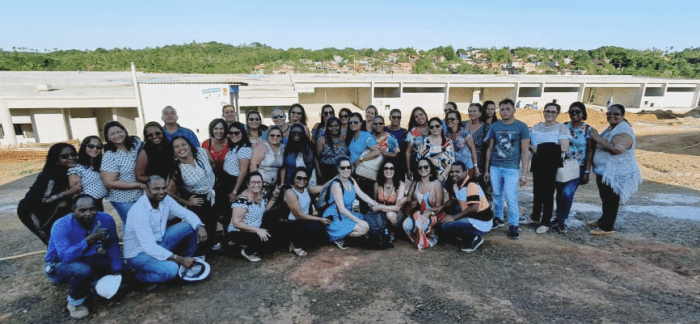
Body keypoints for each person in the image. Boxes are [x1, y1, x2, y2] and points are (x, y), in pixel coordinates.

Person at [44, 195, 122, 319]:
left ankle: (93, 285)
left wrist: (116, 269)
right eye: (82, 210)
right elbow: (65, 257)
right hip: (59, 264)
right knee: (83, 270)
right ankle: (75, 303)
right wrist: (88, 240)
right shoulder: (61, 225)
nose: (88, 213)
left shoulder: (105, 219)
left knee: (118, 268)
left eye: (92, 209)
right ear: (73, 210)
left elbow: (112, 244)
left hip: (87, 257)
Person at [124, 175, 207, 283]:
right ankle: (136, 275)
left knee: (191, 225)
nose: (161, 191)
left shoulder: (166, 199)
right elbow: (149, 247)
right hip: (139, 254)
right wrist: (179, 259)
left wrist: (200, 226)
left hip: (160, 241)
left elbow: (186, 213)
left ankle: (187, 261)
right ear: (146, 190)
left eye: (164, 188)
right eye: (156, 189)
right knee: (172, 270)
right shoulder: (139, 211)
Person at [588, 104, 642, 235]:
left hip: (615, 172)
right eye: (609, 114)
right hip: (605, 171)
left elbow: (616, 149)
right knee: (605, 198)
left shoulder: (625, 131)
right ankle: (603, 220)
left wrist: (598, 138)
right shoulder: (613, 127)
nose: (612, 116)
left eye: (616, 114)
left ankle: (607, 227)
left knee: (611, 200)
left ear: (622, 115)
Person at [484, 99, 530, 239]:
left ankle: (513, 225)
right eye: (502, 109)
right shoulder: (495, 126)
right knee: (497, 194)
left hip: (511, 168)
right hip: (495, 167)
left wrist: (524, 174)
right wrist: (486, 169)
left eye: (507, 109)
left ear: (513, 110)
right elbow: (490, 148)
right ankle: (498, 217)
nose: (504, 112)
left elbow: (525, 151)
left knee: (511, 197)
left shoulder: (521, 127)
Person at [17, 143, 81, 244]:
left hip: (54, 210)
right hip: (33, 212)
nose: (71, 158)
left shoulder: (71, 171)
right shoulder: (50, 177)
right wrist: (68, 193)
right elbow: (44, 201)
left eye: (73, 154)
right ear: (56, 160)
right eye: (65, 156)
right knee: (52, 240)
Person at [169, 136, 218, 252]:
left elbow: (212, 164)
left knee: (212, 221)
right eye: (177, 147)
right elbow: (170, 192)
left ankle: (211, 243)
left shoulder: (202, 153)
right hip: (197, 199)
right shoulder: (177, 169)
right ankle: (200, 251)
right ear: (174, 152)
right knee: (201, 227)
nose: (181, 148)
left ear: (189, 145)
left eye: (183, 144)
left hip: (212, 193)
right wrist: (187, 202)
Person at [528, 103, 571, 234]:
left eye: (553, 112)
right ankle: (535, 217)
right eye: (547, 111)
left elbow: (563, 147)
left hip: (551, 165)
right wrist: (549, 147)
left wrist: (540, 148)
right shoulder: (536, 127)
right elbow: (530, 144)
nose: (549, 114)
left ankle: (545, 222)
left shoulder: (562, 128)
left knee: (548, 194)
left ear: (557, 113)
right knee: (536, 192)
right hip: (537, 163)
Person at [553, 102, 594, 233]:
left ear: (583, 113)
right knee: (559, 193)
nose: (574, 114)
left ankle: (561, 220)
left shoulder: (588, 129)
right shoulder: (563, 126)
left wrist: (587, 171)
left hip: (577, 167)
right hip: (562, 165)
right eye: (571, 112)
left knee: (567, 193)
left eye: (578, 112)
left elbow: (590, 151)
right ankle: (559, 217)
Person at [272, 167, 331, 256]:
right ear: (294, 178)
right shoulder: (290, 192)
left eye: (305, 178)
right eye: (299, 178)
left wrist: (338, 177)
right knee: (317, 227)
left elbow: (323, 187)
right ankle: (294, 244)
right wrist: (319, 219)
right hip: (292, 223)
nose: (302, 180)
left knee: (320, 234)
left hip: (304, 221)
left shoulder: (307, 189)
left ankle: (299, 241)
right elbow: (299, 215)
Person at [322, 157, 378, 249]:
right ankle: (339, 237)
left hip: (347, 214)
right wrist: (358, 221)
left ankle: (345, 234)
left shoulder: (351, 180)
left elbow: (361, 194)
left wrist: (374, 203)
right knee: (363, 229)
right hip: (335, 217)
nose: (346, 170)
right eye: (343, 168)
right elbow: (341, 209)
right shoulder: (336, 185)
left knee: (367, 222)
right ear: (338, 169)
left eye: (348, 167)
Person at [438, 161, 493, 252]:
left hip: (481, 221)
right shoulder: (456, 184)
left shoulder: (471, 185)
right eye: (451, 172)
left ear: (465, 172)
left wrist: (453, 217)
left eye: (457, 172)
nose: (453, 174)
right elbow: (453, 200)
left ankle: (474, 237)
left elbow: (474, 208)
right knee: (452, 209)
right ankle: (465, 232)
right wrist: (441, 207)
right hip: (472, 215)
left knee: (444, 226)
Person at [101, 121, 146, 224]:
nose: (117, 135)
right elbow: (109, 182)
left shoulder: (135, 144)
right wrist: (138, 185)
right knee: (132, 224)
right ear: (107, 137)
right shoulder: (110, 155)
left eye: (119, 132)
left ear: (125, 131)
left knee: (142, 223)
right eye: (112, 134)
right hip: (123, 199)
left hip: (140, 195)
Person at [228, 172, 278, 262]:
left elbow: (264, 210)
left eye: (259, 182)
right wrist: (257, 230)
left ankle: (246, 245)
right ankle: (245, 251)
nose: (256, 185)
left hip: (254, 228)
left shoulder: (261, 194)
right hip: (239, 231)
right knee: (263, 239)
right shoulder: (242, 200)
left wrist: (274, 198)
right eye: (253, 182)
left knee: (273, 232)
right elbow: (236, 223)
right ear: (247, 184)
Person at [403, 157, 444, 250]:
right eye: (420, 167)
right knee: (405, 226)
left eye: (426, 167)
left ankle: (430, 237)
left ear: (430, 168)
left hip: (433, 214)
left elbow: (439, 206)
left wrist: (428, 213)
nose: (423, 169)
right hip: (418, 213)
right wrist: (405, 199)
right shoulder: (415, 183)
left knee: (420, 224)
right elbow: (409, 197)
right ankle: (418, 238)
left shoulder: (436, 184)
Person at [346, 113, 380, 213]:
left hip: (364, 175)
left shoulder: (366, 135)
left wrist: (361, 159)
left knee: (364, 202)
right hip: (353, 174)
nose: (353, 124)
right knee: (356, 201)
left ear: (361, 123)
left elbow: (376, 151)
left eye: (356, 122)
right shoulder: (350, 137)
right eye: (350, 122)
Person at [221, 122, 252, 228]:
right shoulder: (234, 147)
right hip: (226, 181)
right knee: (225, 213)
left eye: (236, 132)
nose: (233, 135)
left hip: (235, 183)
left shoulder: (244, 149)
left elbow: (243, 172)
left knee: (233, 213)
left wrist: (234, 192)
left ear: (242, 133)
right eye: (231, 133)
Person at [68, 136, 108, 211]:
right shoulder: (77, 167)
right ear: (84, 147)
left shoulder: (100, 164)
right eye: (91, 146)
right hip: (87, 207)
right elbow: (75, 192)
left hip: (99, 203)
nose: (95, 149)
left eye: (98, 147)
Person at [417, 117, 455, 183]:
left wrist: (442, 176)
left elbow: (451, 161)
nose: (434, 128)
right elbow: (419, 160)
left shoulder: (448, 142)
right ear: (429, 129)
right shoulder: (424, 142)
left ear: (441, 127)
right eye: (432, 127)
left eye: (437, 126)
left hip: (444, 178)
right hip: (427, 178)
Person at [250, 125, 285, 194]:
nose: (275, 137)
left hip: (274, 184)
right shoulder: (262, 146)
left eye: (278, 136)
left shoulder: (282, 148)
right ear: (268, 136)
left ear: (281, 138)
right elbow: (253, 165)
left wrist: (282, 183)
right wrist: (255, 182)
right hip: (261, 183)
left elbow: (283, 166)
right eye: (272, 135)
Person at [373, 160, 407, 230]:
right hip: (382, 212)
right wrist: (379, 207)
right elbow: (375, 201)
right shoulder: (377, 184)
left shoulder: (401, 184)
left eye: (391, 168)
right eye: (386, 168)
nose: (388, 171)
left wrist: (381, 207)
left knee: (390, 215)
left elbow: (397, 207)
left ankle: (393, 232)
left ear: (395, 171)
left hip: (396, 213)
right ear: (382, 170)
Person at [466, 103, 491, 196]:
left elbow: (489, 146)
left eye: (474, 111)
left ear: (480, 113)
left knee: (478, 189)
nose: (471, 113)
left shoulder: (486, 128)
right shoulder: (463, 125)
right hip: (464, 160)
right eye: (470, 111)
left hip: (479, 162)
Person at [446, 110, 479, 176]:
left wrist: (475, 166)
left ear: (458, 120)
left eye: (452, 119)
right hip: (453, 168)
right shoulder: (445, 134)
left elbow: (472, 148)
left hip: (466, 166)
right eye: (447, 119)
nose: (449, 121)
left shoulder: (464, 132)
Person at [316, 117, 348, 182]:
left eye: (336, 125)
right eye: (331, 126)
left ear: (340, 126)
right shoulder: (322, 140)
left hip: (343, 172)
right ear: (327, 127)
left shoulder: (344, 138)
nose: (334, 128)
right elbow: (316, 158)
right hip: (326, 172)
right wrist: (319, 173)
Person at [405, 107, 430, 180]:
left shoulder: (433, 127)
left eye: (421, 114)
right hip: (420, 166)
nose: (419, 117)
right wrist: (408, 170)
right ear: (414, 120)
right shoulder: (414, 132)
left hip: (435, 164)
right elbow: (408, 152)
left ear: (425, 115)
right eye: (416, 117)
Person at [385, 108, 408, 180]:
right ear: (390, 118)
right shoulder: (384, 129)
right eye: (394, 117)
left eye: (398, 117)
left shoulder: (404, 132)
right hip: (385, 163)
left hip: (399, 164)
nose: (396, 119)